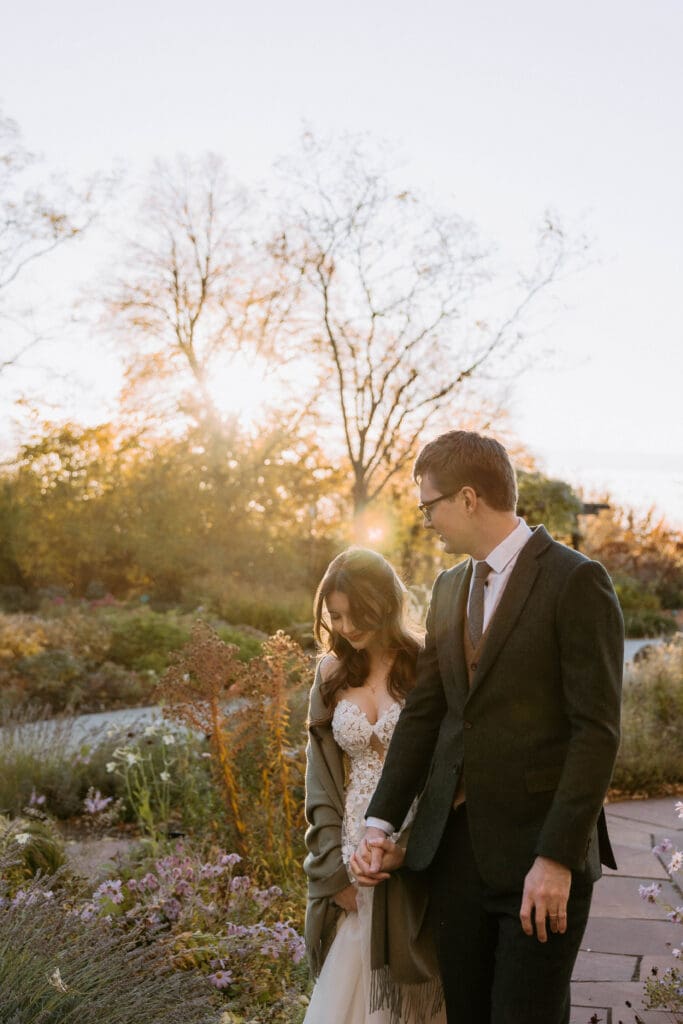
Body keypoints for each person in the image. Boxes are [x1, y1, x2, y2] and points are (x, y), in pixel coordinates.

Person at [351, 430, 624, 1024]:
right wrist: (380, 822)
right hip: (454, 856)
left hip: (538, 855)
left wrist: (555, 858)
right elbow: (427, 713)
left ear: (469, 498)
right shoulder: (449, 587)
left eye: (430, 506)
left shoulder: (576, 581)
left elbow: (596, 732)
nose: (427, 521)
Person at [303, 547, 445, 1024]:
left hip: (417, 848)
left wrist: (411, 846)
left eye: (355, 613)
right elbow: (319, 784)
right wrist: (333, 872)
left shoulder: (426, 663)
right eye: (335, 615)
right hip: (354, 856)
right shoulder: (330, 674)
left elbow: (447, 768)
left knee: (421, 994)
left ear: (384, 602)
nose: (345, 627)